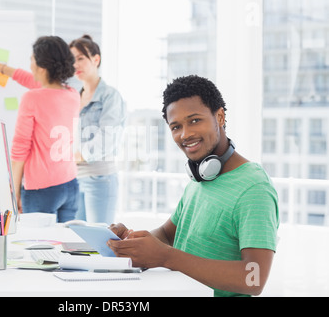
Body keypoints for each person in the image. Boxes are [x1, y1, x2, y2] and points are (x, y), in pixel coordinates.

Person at [108, 75, 279, 297]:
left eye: (195, 120)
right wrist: (132, 242)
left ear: (219, 116)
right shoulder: (201, 179)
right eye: (176, 127)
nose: (185, 134)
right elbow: (168, 235)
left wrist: (166, 256)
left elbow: (254, 279)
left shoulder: (254, 187)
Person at [0, 36, 80, 223]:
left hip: (42, 190)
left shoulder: (32, 99)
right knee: (66, 249)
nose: (30, 64)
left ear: (41, 68)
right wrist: (0, 67)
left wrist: (13, 192)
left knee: (38, 249)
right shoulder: (72, 95)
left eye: (32, 60)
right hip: (70, 184)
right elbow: (36, 83)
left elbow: (19, 151)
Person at [69, 35, 126, 225]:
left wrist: (76, 156)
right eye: (72, 60)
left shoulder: (110, 96)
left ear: (96, 59)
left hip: (100, 178)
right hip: (75, 178)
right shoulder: (74, 97)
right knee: (75, 241)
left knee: (98, 240)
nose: (75, 64)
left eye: (80, 58)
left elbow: (107, 139)